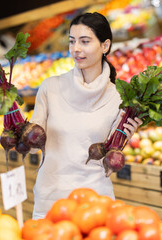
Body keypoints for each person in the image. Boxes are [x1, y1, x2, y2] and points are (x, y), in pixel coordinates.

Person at [29, 12, 142, 219]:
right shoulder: (50, 87)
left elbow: (109, 158)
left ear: (105, 46)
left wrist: (122, 141)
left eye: (85, 41)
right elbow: (33, 141)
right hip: (51, 200)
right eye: (72, 41)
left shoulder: (121, 97)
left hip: (96, 202)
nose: (76, 49)